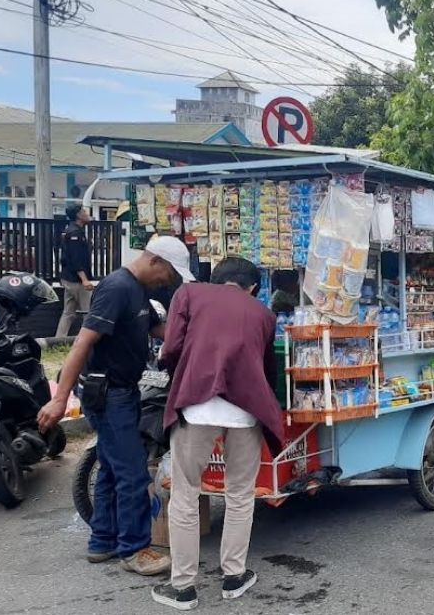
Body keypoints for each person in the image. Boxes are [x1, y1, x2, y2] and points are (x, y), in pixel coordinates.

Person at [37, 235, 192, 576]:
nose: (169, 281)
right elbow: (82, 342)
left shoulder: (139, 292)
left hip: (122, 390)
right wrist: (60, 398)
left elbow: (161, 331)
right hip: (109, 393)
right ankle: (135, 550)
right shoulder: (117, 288)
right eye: (169, 274)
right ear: (155, 261)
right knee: (133, 472)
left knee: (109, 467)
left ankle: (102, 541)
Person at [152, 257, 284, 610]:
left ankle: (183, 588)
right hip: (247, 410)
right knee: (240, 495)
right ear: (252, 287)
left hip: (197, 403)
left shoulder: (189, 294)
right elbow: (267, 368)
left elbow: (172, 348)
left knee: (185, 494)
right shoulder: (263, 314)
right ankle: (234, 577)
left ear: (216, 278)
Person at [57, 204, 94, 338]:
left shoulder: (71, 230)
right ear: (78, 215)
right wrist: (84, 280)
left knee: (68, 312)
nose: (86, 213)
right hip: (76, 280)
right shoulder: (75, 233)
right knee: (88, 312)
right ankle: (87, 342)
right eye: (84, 211)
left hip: (69, 279)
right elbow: (76, 259)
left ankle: (58, 340)